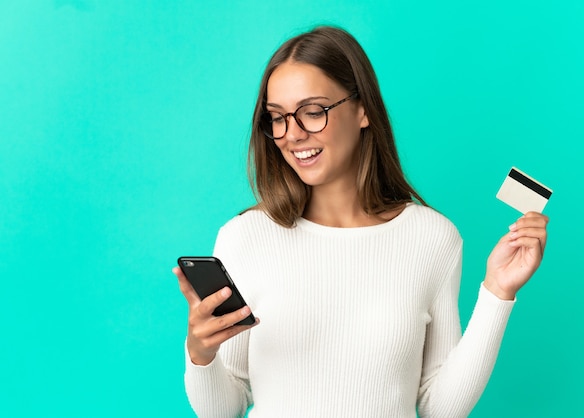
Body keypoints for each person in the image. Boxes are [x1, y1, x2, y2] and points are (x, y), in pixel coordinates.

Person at [173, 26, 548, 418]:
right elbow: (221, 410)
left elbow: (441, 408)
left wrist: (497, 293)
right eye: (278, 118)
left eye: (313, 112)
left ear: (362, 109)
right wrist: (201, 354)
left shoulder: (433, 238)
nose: (293, 134)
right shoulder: (244, 237)